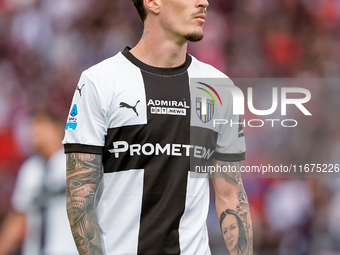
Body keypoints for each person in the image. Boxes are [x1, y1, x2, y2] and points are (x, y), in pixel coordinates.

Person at [63, 0, 253, 254]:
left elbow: (231, 195)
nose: (204, 2)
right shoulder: (100, 82)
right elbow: (80, 197)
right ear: (152, 2)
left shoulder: (217, 87)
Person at [0, 109, 78, 255]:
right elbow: (19, 216)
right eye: (33, 126)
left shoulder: (75, 162)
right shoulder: (30, 169)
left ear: (57, 129)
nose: (35, 131)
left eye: (41, 125)